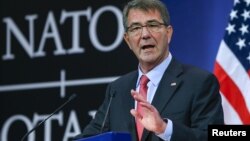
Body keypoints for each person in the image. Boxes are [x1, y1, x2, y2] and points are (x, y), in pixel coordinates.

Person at [74, 0, 224, 141]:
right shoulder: (117, 90)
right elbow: (89, 138)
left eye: (152, 25)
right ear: (127, 40)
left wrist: (165, 129)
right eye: (136, 28)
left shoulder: (199, 82)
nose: (145, 35)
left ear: (168, 33)